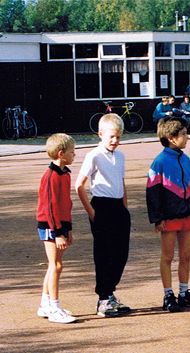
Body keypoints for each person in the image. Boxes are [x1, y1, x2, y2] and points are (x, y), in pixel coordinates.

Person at [146, 116, 190, 312]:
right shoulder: (160, 162)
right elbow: (153, 191)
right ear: (172, 138)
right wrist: (158, 218)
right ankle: (168, 295)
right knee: (167, 256)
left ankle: (183, 293)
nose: (187, 137)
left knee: (186, 255)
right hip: (169, 217)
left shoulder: (185, 158)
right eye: (184, 134)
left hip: (185, 215)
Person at [75, 113, 132, 318]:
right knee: (104, 253)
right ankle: (103, 298)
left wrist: (125, 207)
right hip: (101, 206)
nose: (115, 141)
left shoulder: (120, 156)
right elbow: (79, 185)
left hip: (118, 207)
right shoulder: (94, 156)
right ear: (100, 134)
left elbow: (121, 181)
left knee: (121, 253)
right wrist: (91, 213)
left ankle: (110, 293)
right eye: (111, 137)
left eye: (118, 137)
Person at [37, 133, 77, 323]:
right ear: (61, 154)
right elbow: (50, 207)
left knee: (54, 266)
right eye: (72, 152)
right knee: (56, 266)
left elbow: (65, 205)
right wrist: (58, 233)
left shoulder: (65, 174)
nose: (74, 155)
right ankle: (54, 307)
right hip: (50, 226)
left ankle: (45, 304)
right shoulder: (51, 176)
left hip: (59, 226)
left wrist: (67, 229)